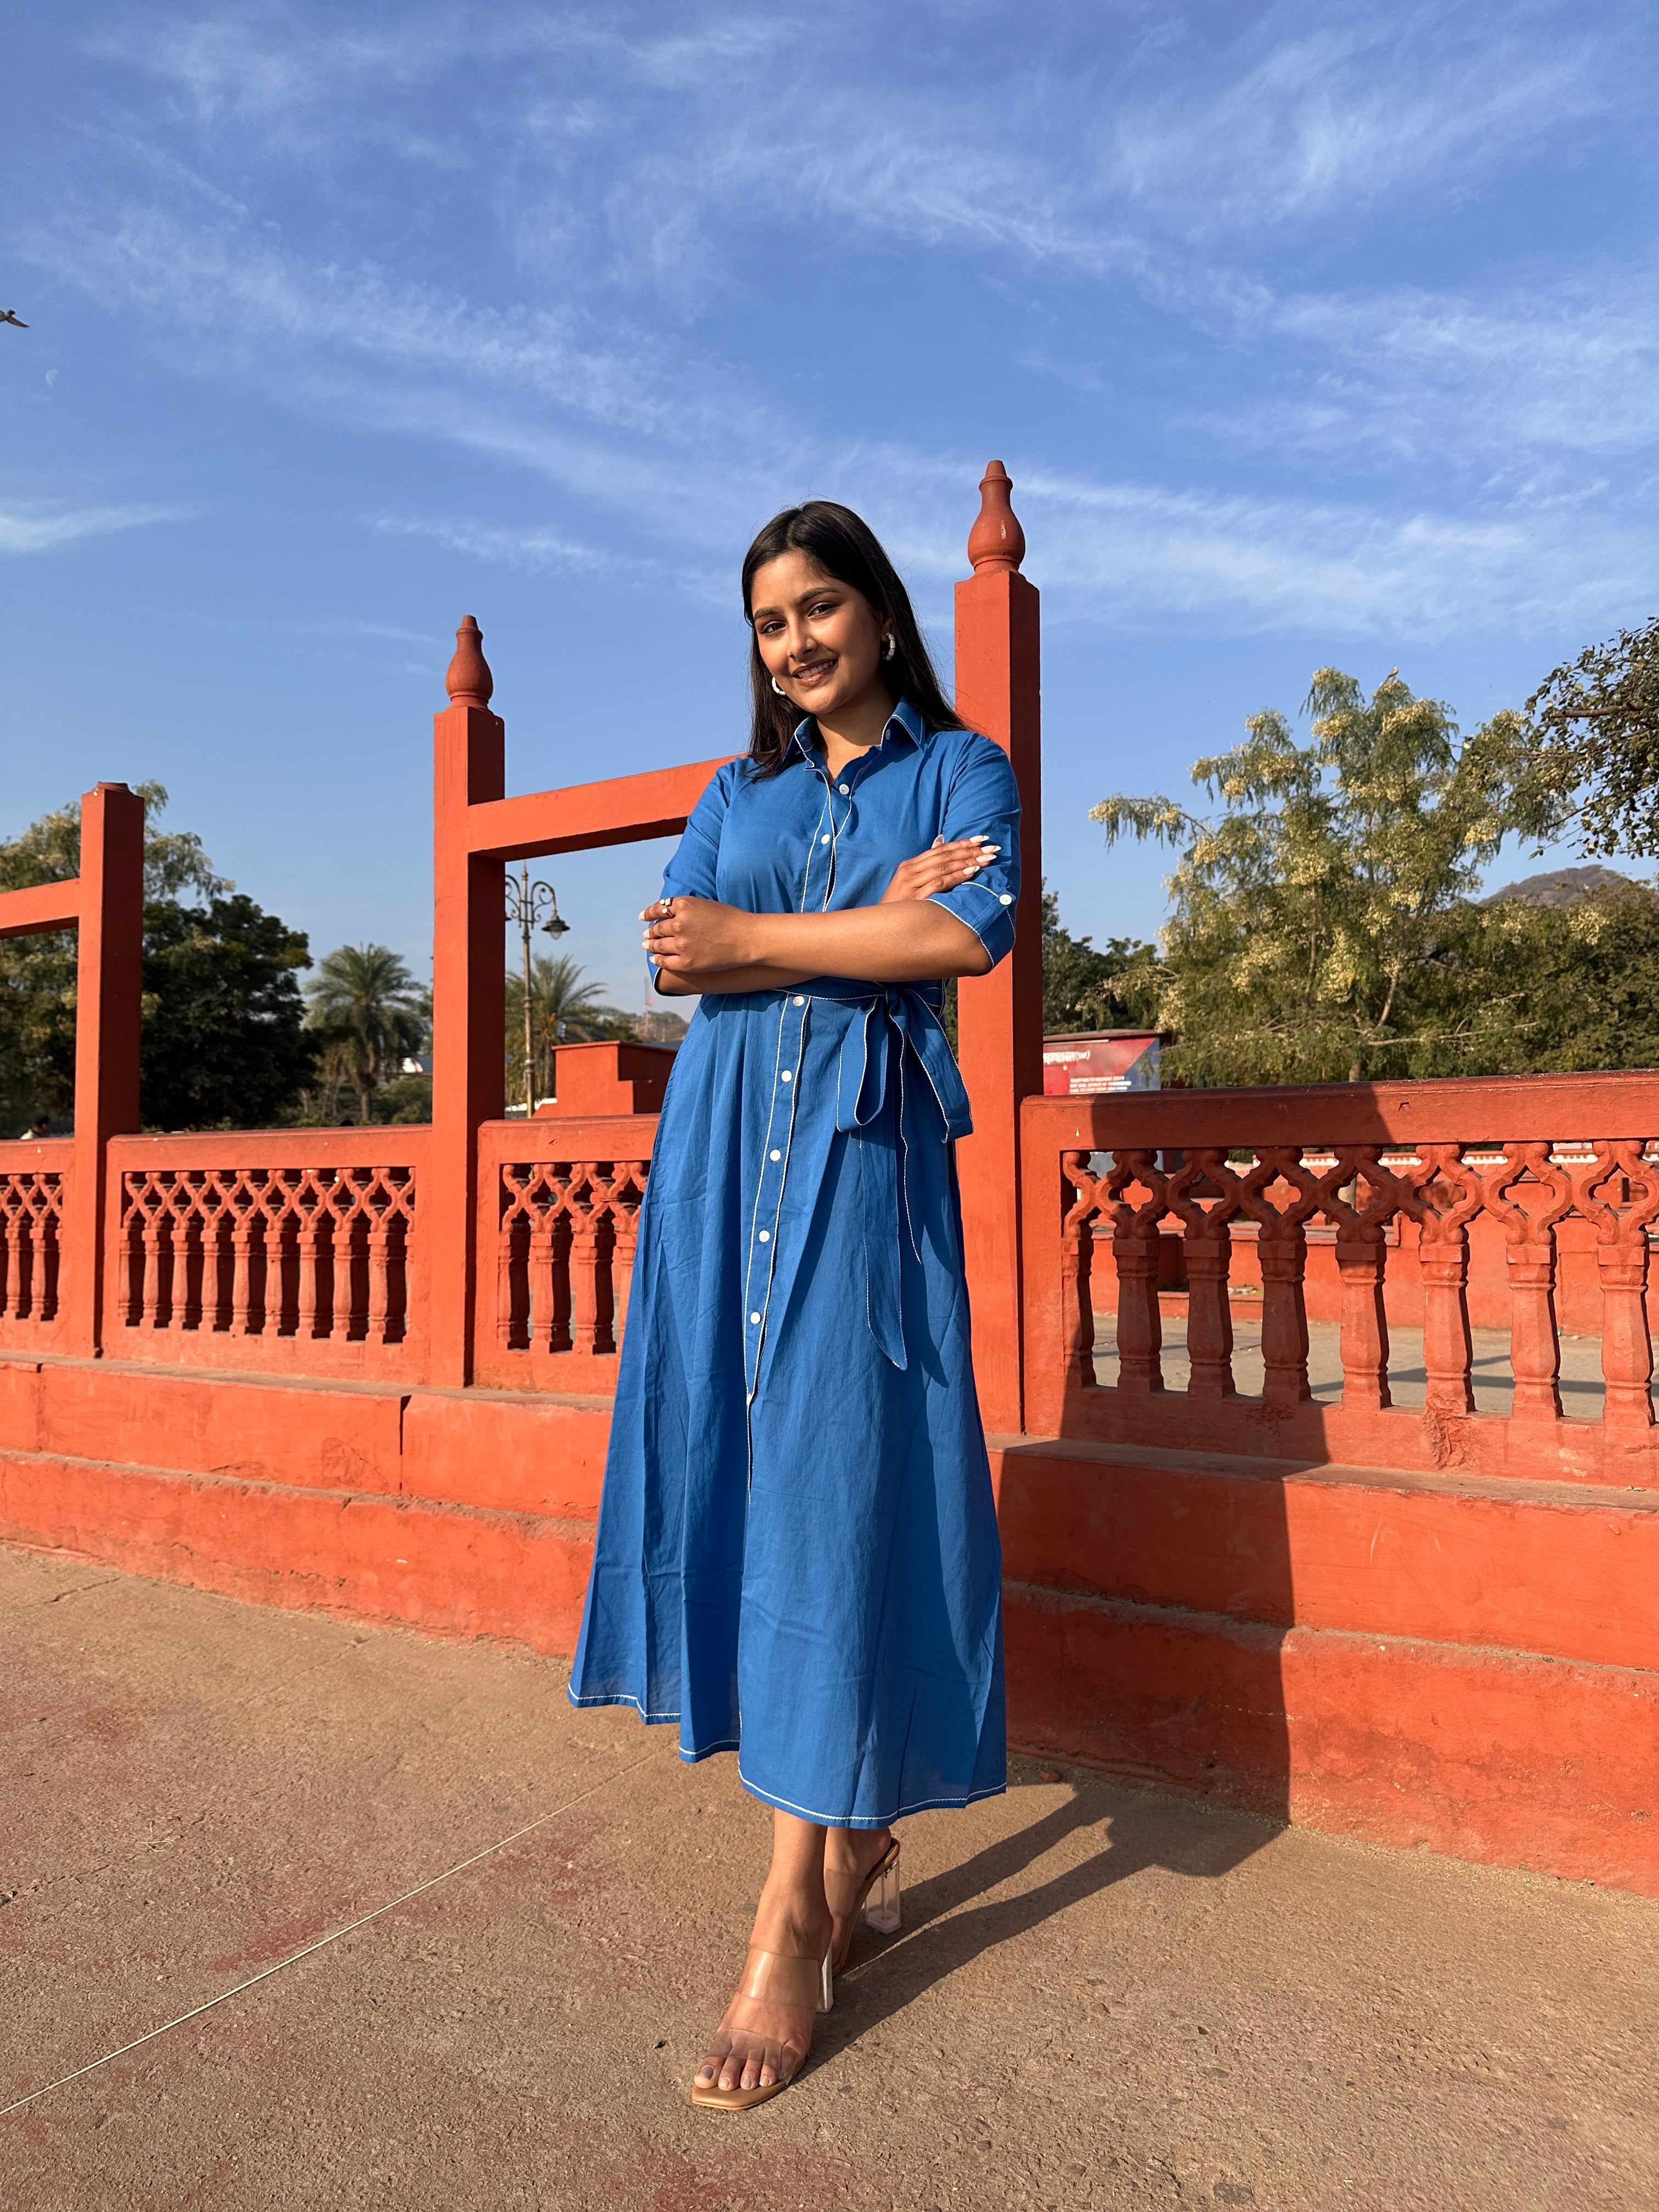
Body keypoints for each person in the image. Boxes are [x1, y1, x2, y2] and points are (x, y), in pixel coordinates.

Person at [568, 500, 1020, 2109]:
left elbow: (956, 935)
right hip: (718, 1182)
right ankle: (849, 1833)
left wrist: (779, 936)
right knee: (757, 1503)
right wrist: (844, 935)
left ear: (883, 618)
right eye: (770, 622)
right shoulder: (735, 790)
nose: (797, 641)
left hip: (861, 1174)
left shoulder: (961, 778)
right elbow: (678, 958)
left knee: (836, 1501)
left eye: (822, 607)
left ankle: (788, 1925)